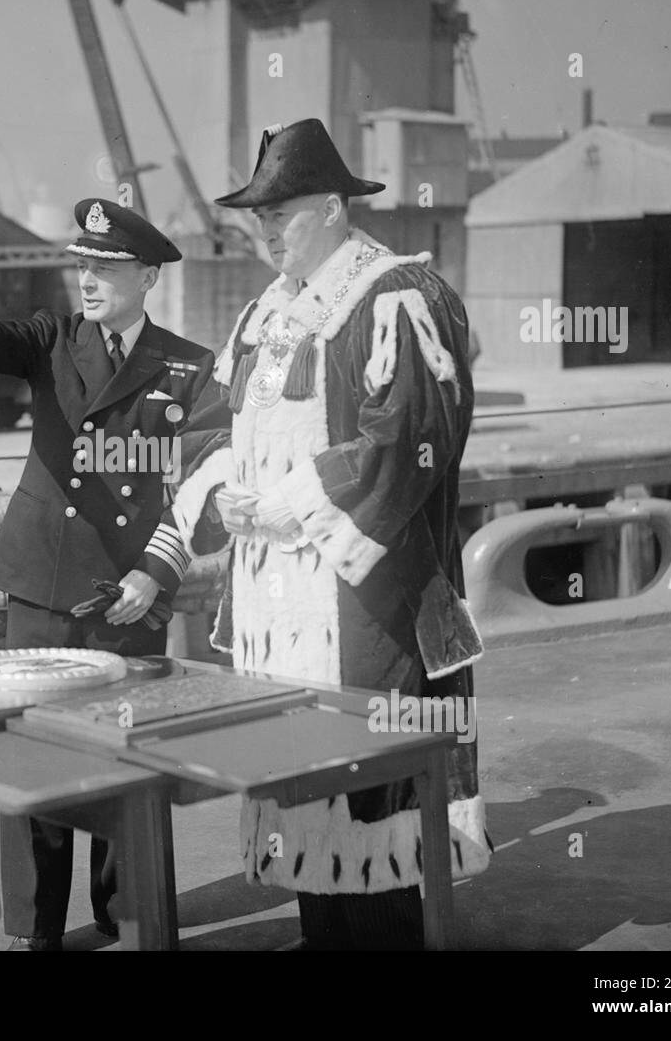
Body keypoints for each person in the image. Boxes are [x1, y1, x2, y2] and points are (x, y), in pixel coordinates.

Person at [166, 118, 491, 950]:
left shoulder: (398, 297)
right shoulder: (264, 315)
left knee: (371, 800)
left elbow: (410, 439)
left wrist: (294, 504)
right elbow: (216, 425)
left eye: (282, 213)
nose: (265, 230)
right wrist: (226, 494)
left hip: (366, 610)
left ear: (337, 208)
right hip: (277, 615)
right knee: (299, 795)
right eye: (257, 216)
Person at [0, 199, 214, 951]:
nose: (87, 280)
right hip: (42, 582)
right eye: (82, 265)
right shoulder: (53, 339)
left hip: (128, 592)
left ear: (148, 275)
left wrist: (156, 575)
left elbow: (203, 488)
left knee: (127, 757)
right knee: (32, 758)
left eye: (106, 267)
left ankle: (127, 917)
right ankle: (34, 931)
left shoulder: (191, 367)